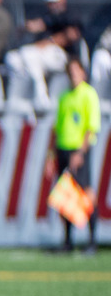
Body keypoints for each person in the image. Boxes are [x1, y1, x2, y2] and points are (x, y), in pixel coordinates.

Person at [46, 56, 101, 254]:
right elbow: (57, 127)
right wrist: (51, 154)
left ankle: (92, 240)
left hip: (79, 150)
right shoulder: (64, 96)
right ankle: (68, 241)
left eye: (77, 71)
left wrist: (80, 152)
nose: (73, 75)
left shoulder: (88, 94)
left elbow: (91, 127)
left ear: (83, 73)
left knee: (86, 193)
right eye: (70, 72)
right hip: (63, 149)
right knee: (65, 196)